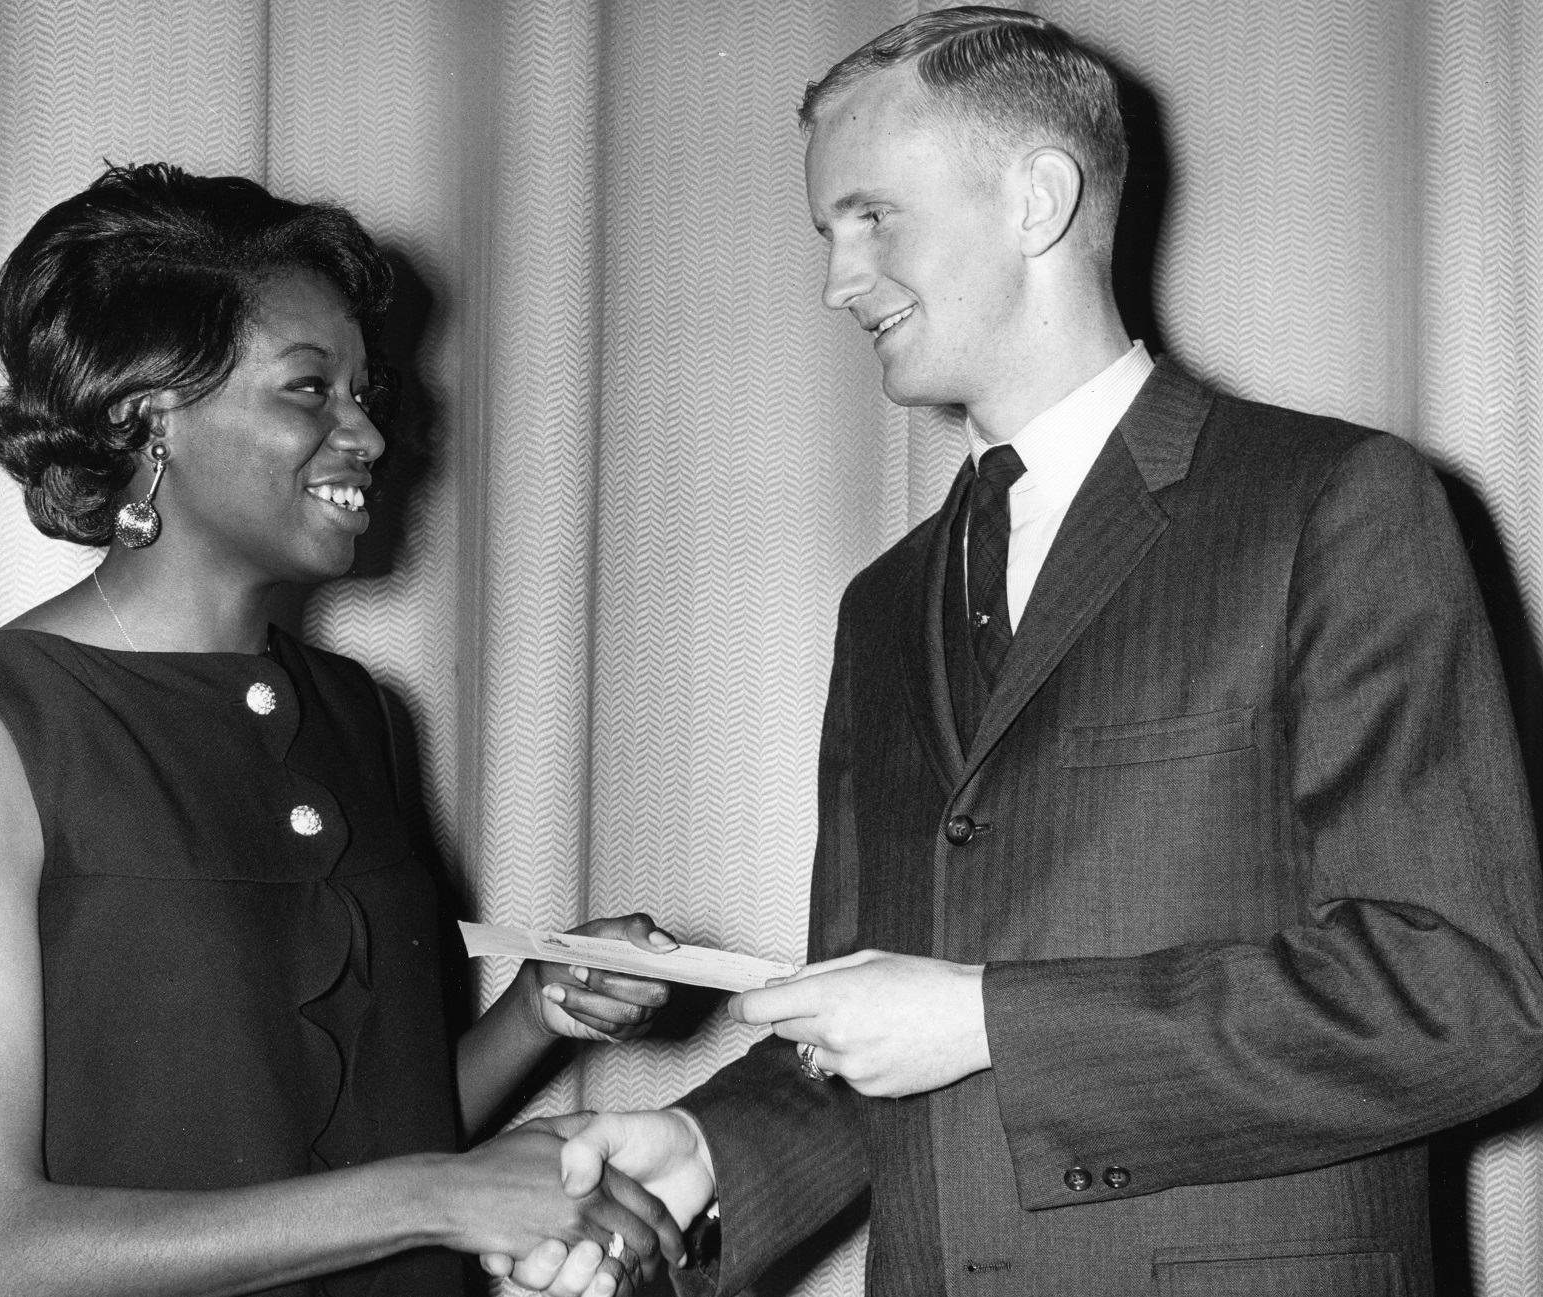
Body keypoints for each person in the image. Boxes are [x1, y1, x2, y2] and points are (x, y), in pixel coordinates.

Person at [506, 8, 1543, 1295]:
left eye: (871, 217)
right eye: (826, 232)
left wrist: (988, 1018)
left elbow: (1471, 996)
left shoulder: (1332, 502)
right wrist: (703, 1149)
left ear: (1037, 198)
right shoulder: (882, 605)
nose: (836, 278)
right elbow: (877, 1027)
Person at [0, 162, 685, 1297]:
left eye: (367, 391)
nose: (367, 432)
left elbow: (370, 1134)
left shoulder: (359, 712)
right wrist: (438, 1196)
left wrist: (537, 1009)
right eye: (310, 389)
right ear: (147, 415)